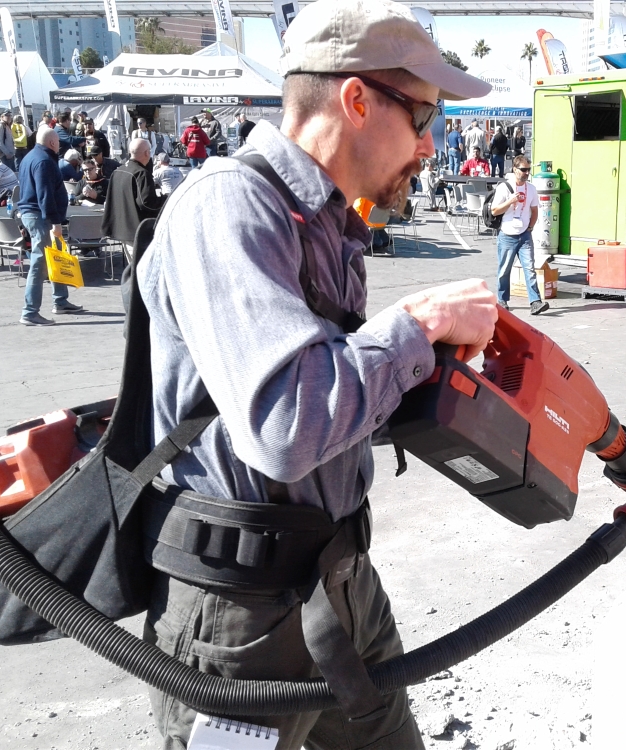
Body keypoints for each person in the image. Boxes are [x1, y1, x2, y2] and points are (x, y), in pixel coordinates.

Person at [137, 0, 494, 746]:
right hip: (243, 617)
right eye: (424, 117)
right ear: (357, 100)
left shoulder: (328, 223)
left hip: (340, 578)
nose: (431, 145)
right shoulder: (228, 207)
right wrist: (418, 326)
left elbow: (333, 399)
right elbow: (287, 429)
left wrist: (428, 374)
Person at [16, 127, 83, 326]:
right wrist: (55, 222)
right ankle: (30, 312)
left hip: (33, 213)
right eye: (58, 143)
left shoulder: (30, 157)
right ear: (53, 143)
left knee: (55, 255)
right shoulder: (44, 161)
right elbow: (45, 194)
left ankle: (60, 301)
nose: (59, 146)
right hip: (40, 215)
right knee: (40, 261)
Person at [491, 155, 548, 315]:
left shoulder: (531, 188)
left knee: (529, 269)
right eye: (523, 170)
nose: (527, 173)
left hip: (524, 235)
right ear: (515, 169)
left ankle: (535, 302)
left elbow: (535, 210)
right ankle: (502, 300)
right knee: (504, 270)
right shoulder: (504, 188)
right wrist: (510, 202)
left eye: (528, 170)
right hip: (507, 235)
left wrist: (530, 227)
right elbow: (494, 211)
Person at [101, 137, 165, 258]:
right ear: (147, 153)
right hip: (137, 232)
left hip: (121, 230)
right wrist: (165, 199)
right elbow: (146, 203)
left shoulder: (118, 171)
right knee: (141, 268)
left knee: (132, 266)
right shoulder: (141, 173)